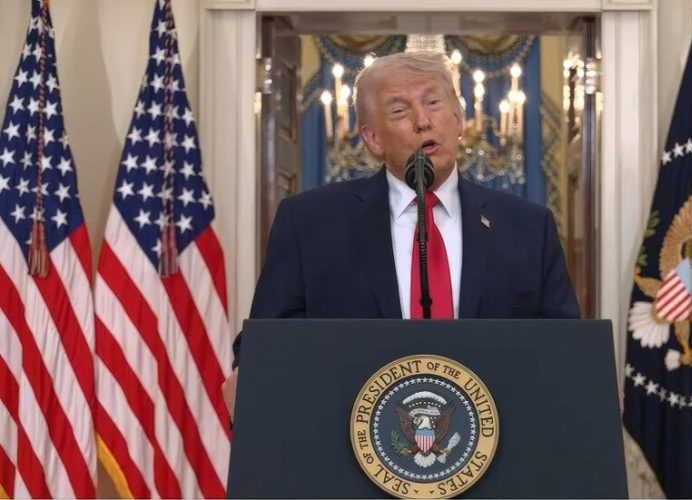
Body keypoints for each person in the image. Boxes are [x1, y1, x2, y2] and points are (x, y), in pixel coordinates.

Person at [222, 51, 580, 416]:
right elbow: (268, 342)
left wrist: (578, 388)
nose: (423, 121)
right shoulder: (309, 224)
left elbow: (566, 348)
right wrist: (251, 376)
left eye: (434, 103)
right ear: (373, 139)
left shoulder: (527, 227)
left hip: (497, 434)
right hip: (347, 435)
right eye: (399, 111)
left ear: (458, 118)